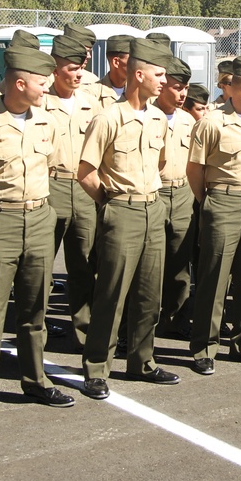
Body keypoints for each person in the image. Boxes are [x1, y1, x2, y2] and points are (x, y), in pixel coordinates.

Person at [0, 44, 74, 427]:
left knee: (34, 310)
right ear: (20, 83)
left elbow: (52, 168)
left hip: (39, 219)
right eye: (42, 81)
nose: (47, 87)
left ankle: (35, 381)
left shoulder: (47, 122)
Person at [77, 38, 179, 400]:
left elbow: (161, 162)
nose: (164, 81)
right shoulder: (107, 118)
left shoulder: (156, 118)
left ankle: (142, 361)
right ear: (139, 75)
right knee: (112, 293)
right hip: (121, 209)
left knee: (150, 294)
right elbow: (86, 170)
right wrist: (109, 201)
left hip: (154, 208)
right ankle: (96, 368)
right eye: (159, 74)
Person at [188, 56, 241, 375]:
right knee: (214, 278)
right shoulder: (212, 122)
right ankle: (204, 347)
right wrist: (209, 201)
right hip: (221, 201)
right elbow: (195, 169)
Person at [44, 32, 102, 350]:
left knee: (83, 262)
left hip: (82, 187)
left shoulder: (89, 104)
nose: (78, 74)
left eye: (80, 67)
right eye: (71, 68)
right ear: (55, 68)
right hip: (49, 186)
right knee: (40, 262)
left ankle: (85, 329)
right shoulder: (40, 102)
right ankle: (35, 327)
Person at [155, 55, 196, 340]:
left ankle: (175, 319)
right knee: (149, 265)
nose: (182, 94)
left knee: (180, 262)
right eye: (176, 87)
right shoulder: (146, 115)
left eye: (185, 88)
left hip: (182, 193)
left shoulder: (187, 120)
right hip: (154, 192)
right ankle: (135, 324)